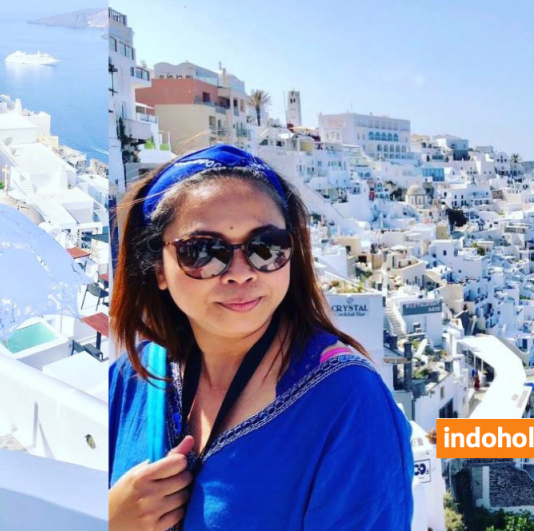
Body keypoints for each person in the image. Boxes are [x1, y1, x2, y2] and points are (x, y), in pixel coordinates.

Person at [109, 145, 414, 530]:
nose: (241, 273)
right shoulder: (131, 378)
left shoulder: (348, 403)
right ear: (159, 269)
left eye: (266, 247)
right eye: (202, 251)